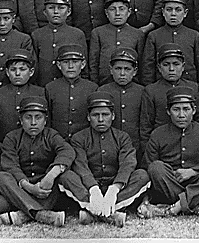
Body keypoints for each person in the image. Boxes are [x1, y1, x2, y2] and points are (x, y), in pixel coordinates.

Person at [58, 91, 150, 227]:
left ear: (113, 116)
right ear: (88, 117)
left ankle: (93, 212)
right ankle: (108, 213)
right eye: (96, 115)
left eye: (105, 115)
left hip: (115, 187)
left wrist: (114, 189)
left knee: (142, 175)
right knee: (66, 177)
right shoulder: (79, 138)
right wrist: (93, 189)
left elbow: (128, 163)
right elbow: (80, 165)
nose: (101, 119)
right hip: (88, 188)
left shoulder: (122, 137)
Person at [140, 86, 199, 218]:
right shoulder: (158, 134)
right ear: (168, 111)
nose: (181, 115)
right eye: (176, 109)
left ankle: (176, 206)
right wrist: (169, 173)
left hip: (197, 182)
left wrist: (192, 171)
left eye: (186, 109)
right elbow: (148, 165)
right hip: (169, 184)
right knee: (156, 167)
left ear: (193, 110)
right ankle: (196, 206)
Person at [0, 96, 76, 227]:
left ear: (45, 120)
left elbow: (67, 151)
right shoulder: (12, 138)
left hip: (46, 189)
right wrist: (29, 187)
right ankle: (40, 214)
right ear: (21, 120)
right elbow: (10, 165)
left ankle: (25, 213)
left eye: (38, 117)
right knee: (1, 177)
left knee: (66, 175)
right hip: (21, 188)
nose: (33, 122)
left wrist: (51, 175)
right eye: (28, 117)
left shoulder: (51, 135)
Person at [139, 43, 199, 152]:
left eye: (176, 64)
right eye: (166, 64)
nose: (171, 69)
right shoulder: (151, 90)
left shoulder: (193, 88)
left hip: (189, 144)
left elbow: (198, 119)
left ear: (183, 66)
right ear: (159, 67)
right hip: (162, 145)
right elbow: (146, 125)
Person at [141, 0, 199, 85]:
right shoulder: (154, 36)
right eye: (169, 10)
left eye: (178, 10)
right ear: (163, 12)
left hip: (189, 86)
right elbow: (148, 68)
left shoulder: (193, 35)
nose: (173, 14)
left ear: (185, 13)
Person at [31, 0, 87, 87]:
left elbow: (84, 66)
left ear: (68, 11)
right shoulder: (37, 35)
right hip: (43, 85)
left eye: (61, 8)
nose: (56, 12)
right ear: (44, 11)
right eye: (51, 8)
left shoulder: (77, 34)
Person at [88, 0, 144, 86]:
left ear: (129, 12)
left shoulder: (137, 34)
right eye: (112, 9)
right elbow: (93, 63)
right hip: (104, 83)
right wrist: (95, 84)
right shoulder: (98, 33)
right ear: (106, 12)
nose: (117, 13)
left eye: (122, 9)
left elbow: (142, 62)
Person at [98, 48, 145, 161]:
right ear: (111, 69)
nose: (122, 73)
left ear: (135, 71)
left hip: (135, 145)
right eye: (118, 69)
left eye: (127, 69)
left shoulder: (142, 91)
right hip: (110, 146)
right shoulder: (102, 91)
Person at [45, 44, 98, 141]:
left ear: (83, 64)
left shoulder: (92, 88)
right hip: (58, 140)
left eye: (75, 62)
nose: (70, 66)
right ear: (59, 65)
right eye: (65, 62)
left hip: (84, 141)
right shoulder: (50, 88)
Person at [0, 49, 44, 143]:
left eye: (22, 69)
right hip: (5, 143)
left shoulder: (40, 92)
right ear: (7, 72)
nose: (17, 73)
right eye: (13, 70)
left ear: (31, 72)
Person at [0, 0, 33, 89]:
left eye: (6, 18)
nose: (2, 23)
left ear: (13, 19)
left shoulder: (23, 39)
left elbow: (31, 66)